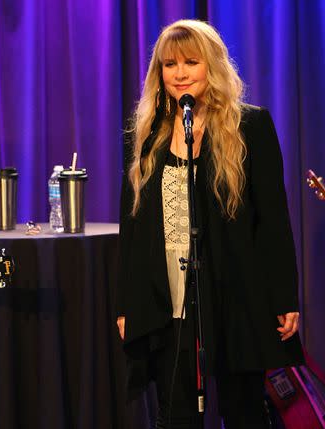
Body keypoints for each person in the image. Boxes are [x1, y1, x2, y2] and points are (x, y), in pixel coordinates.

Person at [116, 20, 304, 428]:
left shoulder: (250, 127)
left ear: (212, 66)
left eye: (190, 62)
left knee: (245, 410)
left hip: (233, 292)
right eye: (169, 64)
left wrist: (285, 296)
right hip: (168, 300)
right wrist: (126, 304)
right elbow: (129, 229)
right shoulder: (146, 135)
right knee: (175, 413)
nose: (179, 73)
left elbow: (273, 219)